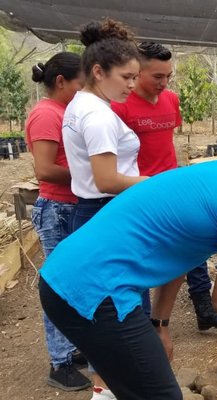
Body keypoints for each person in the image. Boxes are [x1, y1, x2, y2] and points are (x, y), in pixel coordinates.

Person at [39, 160, 217, 400]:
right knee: (161, 395)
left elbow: (181, 251)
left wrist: (161, 324)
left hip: (64, 275)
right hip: (96, 291)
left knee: (121, 382)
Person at [111, 41, 217, 331]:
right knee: (144, 255)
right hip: (138, 192)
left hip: (172, 186)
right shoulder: (119, 106)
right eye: (157, 77)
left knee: (193, 244)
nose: (164, 83)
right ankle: (140, 323)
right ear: (137, 72)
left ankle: (204, 307)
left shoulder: (171, 100)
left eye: (168, 76)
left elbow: (169, 142)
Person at [61, 18, 144, 400]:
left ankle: (106, 388)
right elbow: (107, 179)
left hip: (93, 212)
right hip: (106, 213)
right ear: (98, 71)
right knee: (122, 313)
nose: (132, 84)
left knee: (105, 309)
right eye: (126, 77)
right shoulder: (96, 115)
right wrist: (159, 185)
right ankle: (114, 391)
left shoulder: (84, 105)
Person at [24, 52, 91, 392]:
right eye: (81, 84)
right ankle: (59, 362)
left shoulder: (67, 111)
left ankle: (73, 348)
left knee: (74, 282)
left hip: (72, 206)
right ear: (61, 82)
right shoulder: (46, 114)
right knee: (60, 286)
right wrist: (90, 177)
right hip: (57, 209)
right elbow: (45, 169)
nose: (84, 91)